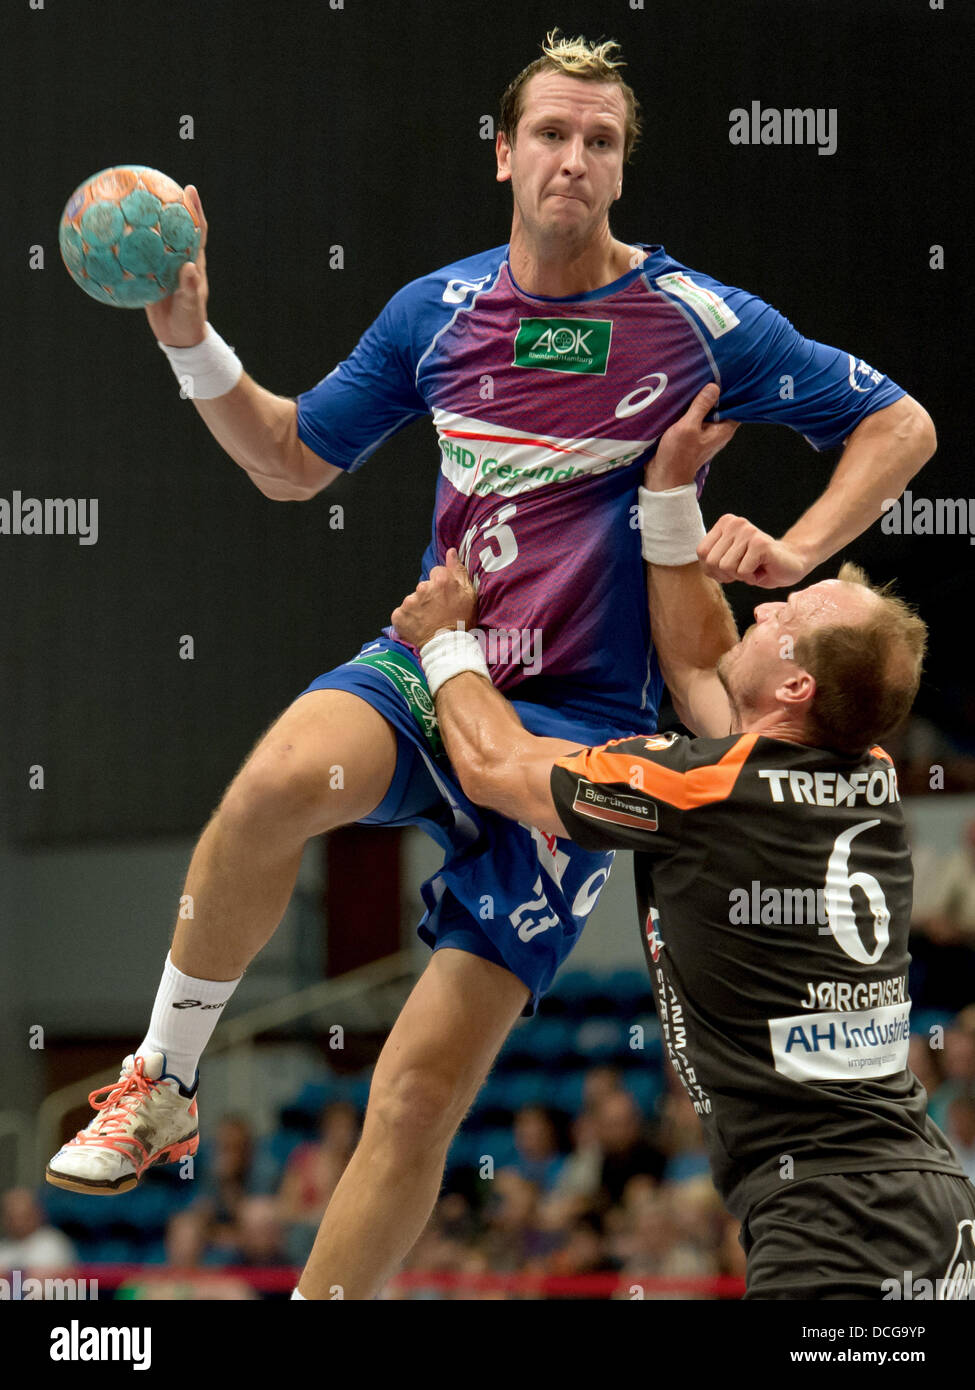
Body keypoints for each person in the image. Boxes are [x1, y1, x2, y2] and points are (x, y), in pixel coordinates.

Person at [47, 30, 935, 1301]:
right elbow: (293, 461)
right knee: (269, 792)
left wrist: (795, 551)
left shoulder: (697, 323)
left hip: (581, 734)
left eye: (602, 141)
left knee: (413, 1098)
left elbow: (901, 423)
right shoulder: (437, 310)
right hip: (434, 661)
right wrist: (192, 340)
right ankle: (165, 1082)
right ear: (504, 153)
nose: (575, 158)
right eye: (554, 134)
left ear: (622, 169)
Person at [389, 386, 975, 1299]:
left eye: (791, 619)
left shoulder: (702, 787)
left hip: (836, 1221)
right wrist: (669, 496)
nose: (768, 608)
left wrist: (447, 648)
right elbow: (700, 667)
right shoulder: (862, 774)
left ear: (795, 694)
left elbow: (496, 769)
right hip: (923, 1207)